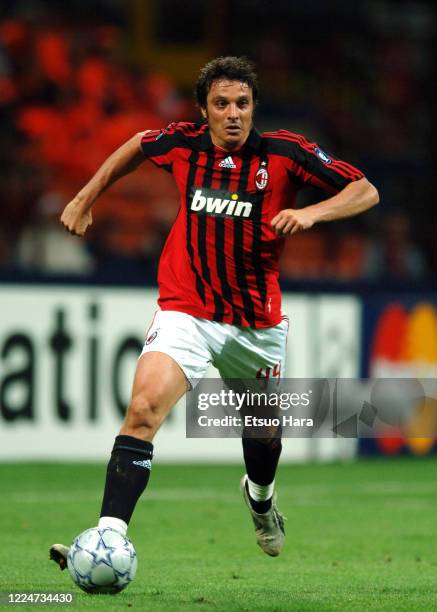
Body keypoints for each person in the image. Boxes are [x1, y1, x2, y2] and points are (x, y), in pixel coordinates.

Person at [49, 56, 379, 565]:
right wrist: (86, 196)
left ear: (253, 109)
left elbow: (365, 189)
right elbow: (138, 144)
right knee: (142, 410)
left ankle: (262, 501)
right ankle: (109, 536)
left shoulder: (285, 153)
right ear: (204, 110)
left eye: (242, 104)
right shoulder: (184, 145)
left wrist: (311, 212)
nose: (233, 114)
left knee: (264, 436)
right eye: (221, 104)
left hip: (255, 326)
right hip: (187, 313)